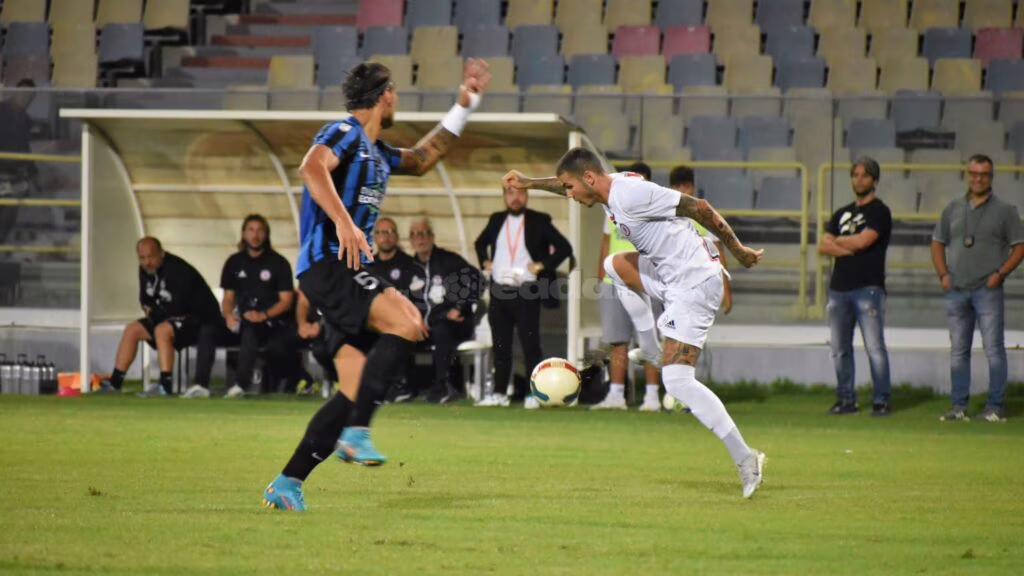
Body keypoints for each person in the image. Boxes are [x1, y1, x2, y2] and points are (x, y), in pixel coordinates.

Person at [262, 59, 491, 511]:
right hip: (331, 263)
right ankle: (358, 433)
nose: (396, 100)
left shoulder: (377, 152)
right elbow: (312, 168)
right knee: (408, 321)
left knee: (354, 390)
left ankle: (288, 483)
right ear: (385, 95)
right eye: (396, 93)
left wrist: (464, 107)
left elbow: (422, 159)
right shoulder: (344, 132)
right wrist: (345, 223)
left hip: (341, 270)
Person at [503, 147, 768, 498]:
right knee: (614, 265)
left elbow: (700, 208)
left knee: (678, 382)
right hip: (670, 278)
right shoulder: (606, 188)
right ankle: (650, 346)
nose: (569, 194)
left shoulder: (631, 194)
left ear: (589, 178)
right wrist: (529, 183)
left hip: (696, 282)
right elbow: (566, 181)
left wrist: (738, 250)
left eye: (570, 188)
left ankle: (745, 457)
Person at [931, 154, 1024, 423]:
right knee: (958, 351)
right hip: (956, 289)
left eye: (983, 174)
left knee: (993, 349)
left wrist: (1000, 274)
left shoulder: (1006, 210)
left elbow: (1020, 247)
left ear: (991, 177)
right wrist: (943, 274)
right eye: (974, 173)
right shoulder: (953, 208)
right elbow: (937, 243)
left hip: (988, 289)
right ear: (967, 175)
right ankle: (958, 407)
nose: (978, 179)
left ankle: (995, 407)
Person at [473, 182, 573, 407]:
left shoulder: (539, 220)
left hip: (527, 291)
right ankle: (499, 393)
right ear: (504, 196)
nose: (515, 197)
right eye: (510, 193)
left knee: (530, 345)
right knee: (501, 345)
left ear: (527, 195)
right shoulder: (496, 219)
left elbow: (564, 248)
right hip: (499, 290)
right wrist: (485, 261)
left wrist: (542, 265)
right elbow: (480, 243)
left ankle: (532, 394)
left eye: (520, 192)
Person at [817, 158, 892, 416]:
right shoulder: (841, 213)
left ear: (874, 181)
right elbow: (823, 246)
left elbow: (864, 241)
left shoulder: (880, 212)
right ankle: (846, 400)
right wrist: (850, 245)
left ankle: (881, 400)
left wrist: (839, 242)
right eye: (856, 175)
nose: (859, 180)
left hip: (868, 288)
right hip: (839, 288)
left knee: (874, 347)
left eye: (865, 175)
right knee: (839, 350)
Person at [101, 237, 222, 398]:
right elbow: (145, 301)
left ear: (161, 254)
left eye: (150, 257)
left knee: (162, 330)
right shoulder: (145, 270)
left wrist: (156, 312)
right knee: (133, 329)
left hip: (199, 319)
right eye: (142, 258)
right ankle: (115, 382)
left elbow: (178, 306)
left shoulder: (178, 270)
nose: (147, 262)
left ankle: (165, 386)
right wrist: (154, 312)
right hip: (167, 317)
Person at [591, 161, 662, 412]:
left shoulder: (658, 210)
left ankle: (652, 397)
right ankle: (616, 395)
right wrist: (601, 279)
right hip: (614, 281)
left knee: (649, 339)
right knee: (616, 340)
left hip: (645, 280)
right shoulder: (612, 207)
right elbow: (606, 242)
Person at [220, 214, 305, 398]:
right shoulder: (234, 262)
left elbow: (286, 301)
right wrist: (228, 316)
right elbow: (228, 297)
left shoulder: (278, 263)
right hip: (241, 320)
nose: (255, 235)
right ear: (244, 233)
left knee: (256, 333)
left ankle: (241, 385)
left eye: (260, 230)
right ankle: (199, 384)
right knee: (209, 330)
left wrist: (263, 315)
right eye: (251, 230)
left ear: (266, 234)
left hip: (274, 322)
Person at [406, 218, 482, 403]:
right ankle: (402, 388)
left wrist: (460, 307)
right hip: (422, 327)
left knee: (442, 328)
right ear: (410, 240)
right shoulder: (408, 268)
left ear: (432, 237)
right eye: (415, 235)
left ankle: (444, 386)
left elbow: (477, 280)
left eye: (424, 234)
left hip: (453, 323)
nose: (420, 239)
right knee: (398, 333)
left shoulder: (448, 260)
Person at [366, 216, 420, 403]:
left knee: (396, 333)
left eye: (390, 232)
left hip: (402, 321)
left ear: (397, 236)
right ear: (375, 237)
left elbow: (415, 298)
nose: (385, 237)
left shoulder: (409, 264)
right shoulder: (369, 266)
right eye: (381, 232)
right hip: (374, 321)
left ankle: (400, 386)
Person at [670, 166, 732, 315]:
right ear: (671, 188)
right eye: (677, 186)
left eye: (686, 186)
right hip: (671, 285)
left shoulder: (706, 216)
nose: (682, 191)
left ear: (693, 188)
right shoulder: (664, 216)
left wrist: (727, 292)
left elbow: (718, 255)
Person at [0, 79, 38, 247]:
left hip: (11, 175)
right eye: (23, 94)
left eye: (29, 97)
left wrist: (33, 173)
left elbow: (24, 148)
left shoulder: (25, 120)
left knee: (9, 213)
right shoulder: (1, 111)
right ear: (15, 92)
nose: (25, 99)